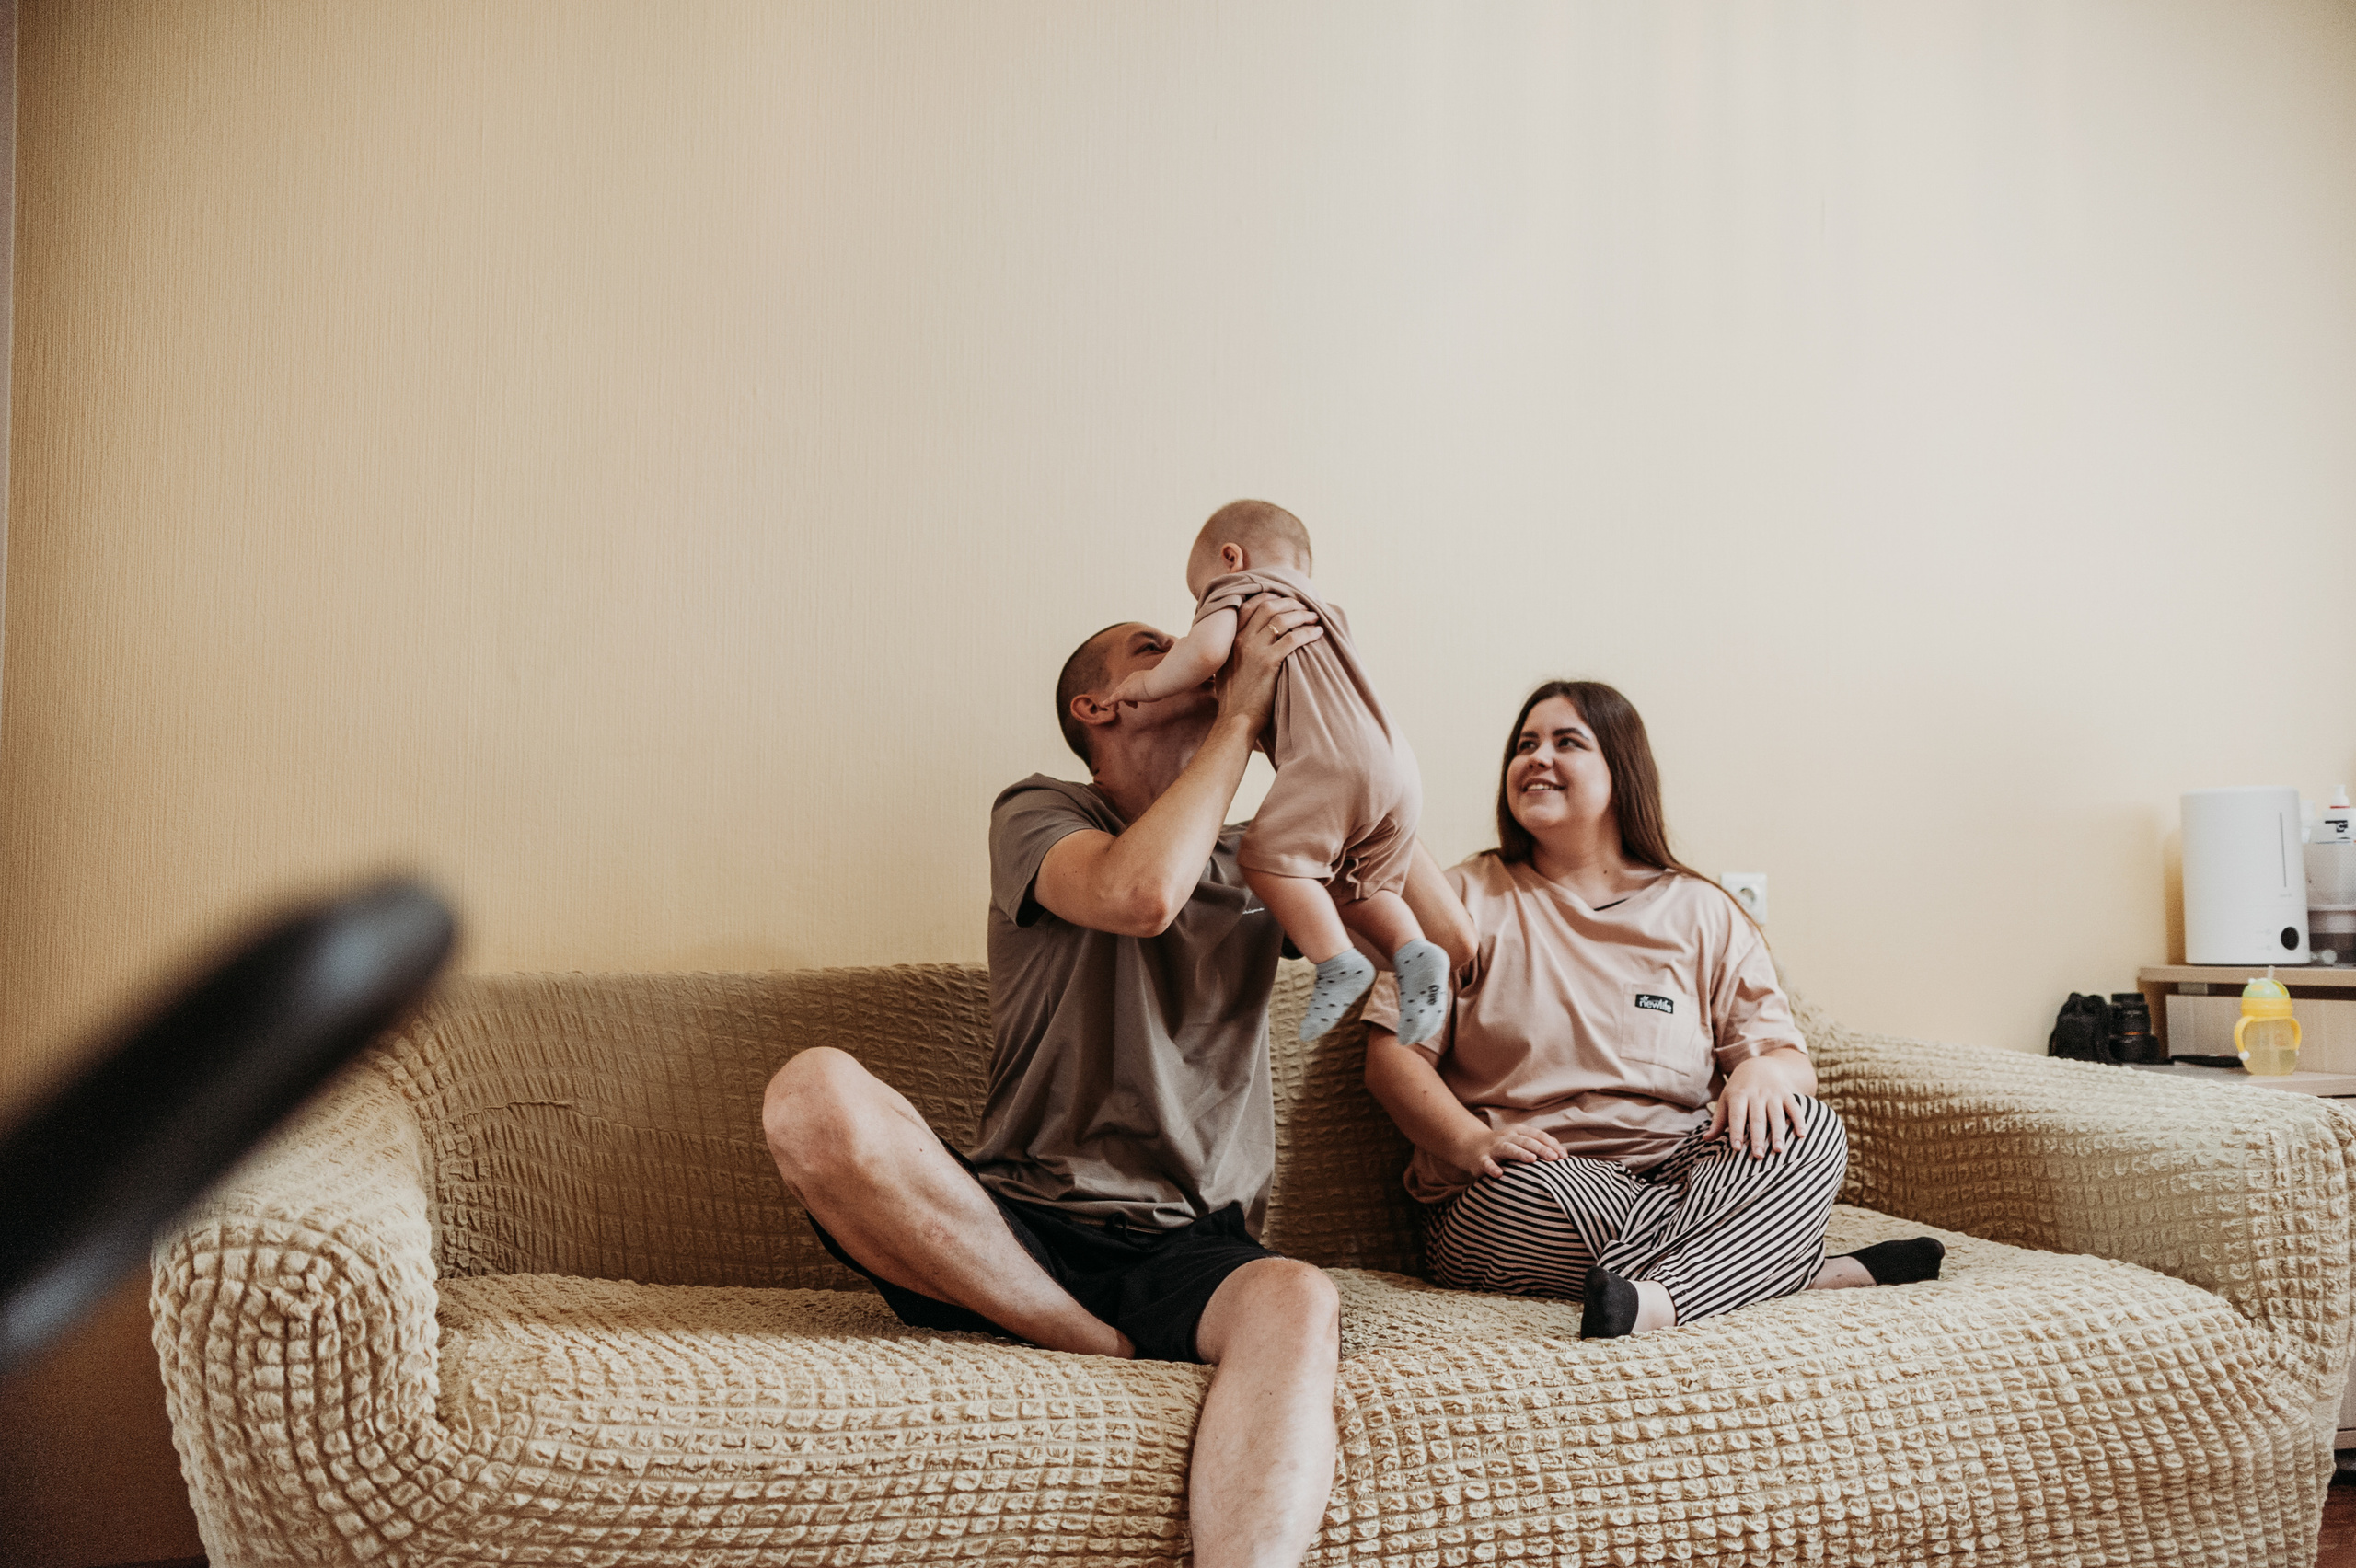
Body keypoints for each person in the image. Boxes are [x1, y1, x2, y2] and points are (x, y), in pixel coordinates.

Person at [764, 592, 1399, 1568]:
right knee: (813, 1092)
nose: (1195, 653)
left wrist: (1323, 719)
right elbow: (1135, 894)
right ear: (1096, 709)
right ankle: (1084, 1339)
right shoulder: (1042, 811)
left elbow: (1441, 944)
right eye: (1155, 648)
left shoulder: (1263, 861)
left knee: (1298, 1300)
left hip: (1186, 1246)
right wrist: (1236, 718)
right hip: (1008, 1228)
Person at [1360, 679, 1943, 1341]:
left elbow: (1785, 1057)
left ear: (1622, 770)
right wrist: (1471, 1142)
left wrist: (1762, 1074)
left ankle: (1662, 1299)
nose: (1536, 759)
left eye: (1566, 742)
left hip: (1684, 1164)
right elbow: (1391, 1060)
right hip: (1522, 1179)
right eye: (1525, 745)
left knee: (1809, 1129)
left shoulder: (1703, 910)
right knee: (1540, 1194)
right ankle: (1792, 1264)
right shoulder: (1458, 898)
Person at [1106, 500, 1451, 1045]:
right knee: (1352, 886)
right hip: (1400, 768)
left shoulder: (1236, 588)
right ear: (1094, 706)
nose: (1182, 635)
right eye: (1151, 652)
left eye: (1197, 598)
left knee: (1266, 863)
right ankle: (1415, 953)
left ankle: (1337, 961)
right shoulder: (1327, 610)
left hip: (1332, 764)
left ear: (1229, 558)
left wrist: (1147, 684)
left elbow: (1205, 653)